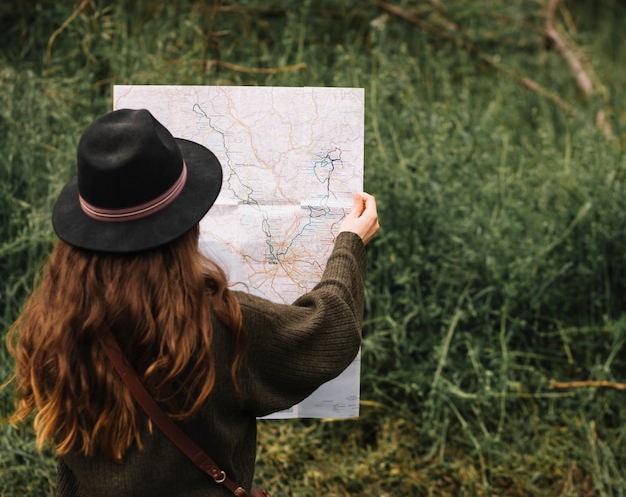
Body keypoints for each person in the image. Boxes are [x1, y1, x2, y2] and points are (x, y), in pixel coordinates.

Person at [6, 108, 379, 496]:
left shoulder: (52, 324)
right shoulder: (219, 323)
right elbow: (328, 331)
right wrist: (349, 245)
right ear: (184, 224)